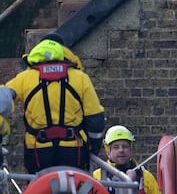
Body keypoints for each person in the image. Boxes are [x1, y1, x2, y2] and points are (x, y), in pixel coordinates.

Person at [0, 32, 105, 174]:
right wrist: (93, 148)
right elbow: (95, 119)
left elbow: (3, 99)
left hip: (37, 150)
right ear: (64, 51)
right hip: (74, 150)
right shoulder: (80, 78)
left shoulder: (25, 78)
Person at [93, 125, 162, 194]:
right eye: (116, 147)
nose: (121, 150)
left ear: (131, 149)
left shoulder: (146, 177)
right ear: (108, 152)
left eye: (125, 146)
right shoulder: (97, 176)